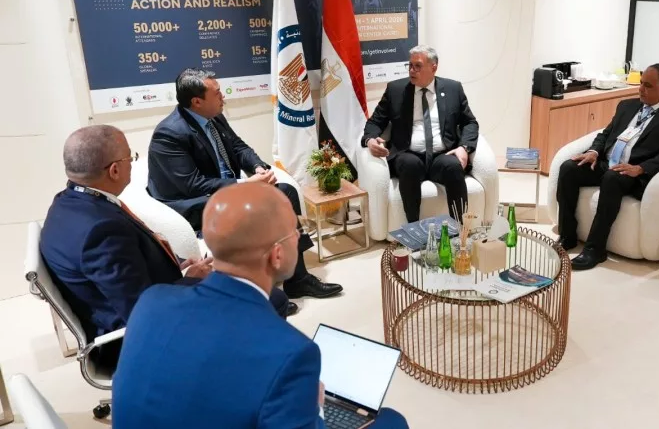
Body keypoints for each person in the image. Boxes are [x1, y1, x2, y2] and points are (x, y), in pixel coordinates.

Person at [112, 183, 408, 429]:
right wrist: (316, 408)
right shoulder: (292, 353)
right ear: (277, 255)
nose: (300, 237)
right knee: (391, 422)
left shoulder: (152, 301)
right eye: (296, 231)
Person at [39, 126, 297, 369]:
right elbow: (142, 311)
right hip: (137, 342)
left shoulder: (68, 203)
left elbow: (126, 274)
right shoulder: (101, 230)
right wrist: (189, 281)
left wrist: (180, 267)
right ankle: (247, 382)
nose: (133, 163)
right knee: (271, 300)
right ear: (114, 170)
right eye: (131, 157)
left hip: (137, 310)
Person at [147, 68, 341, 300]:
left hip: (220, 190)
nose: (223, 97)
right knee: (258, 209)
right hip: (192, 202)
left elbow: (239, 148)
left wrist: (258, 168)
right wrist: (245, 185)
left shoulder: (214, 117)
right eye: (217, 93)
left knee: (285, 192)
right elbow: (192, 184)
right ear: (197, 101)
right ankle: (261, 289)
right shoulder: (169, 134)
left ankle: (297, 279)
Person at [556, 63, 659, 270]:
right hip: (607, 163)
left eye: (648, 86)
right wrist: (593, 152)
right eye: (641, 83)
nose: (641, 89)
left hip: (633, 172)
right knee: (568, 168)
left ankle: (595, 249)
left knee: (612, 178)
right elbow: (605, 134)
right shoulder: (627, 106)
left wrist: (641, 168)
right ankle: (567, 236)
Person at [361, 45, 479, 222]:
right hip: (408, 153)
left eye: (417, 66)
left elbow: (470, 122)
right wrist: (370, 140)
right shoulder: (395, 90)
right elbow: (375, 121)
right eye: (410, 65)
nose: (411, 70)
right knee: (409, 165)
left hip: (442, 154)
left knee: (453, 166)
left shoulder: (453, 89)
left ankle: (459, 227)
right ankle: (414, 228)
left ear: (433, 67)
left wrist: (464, 147)